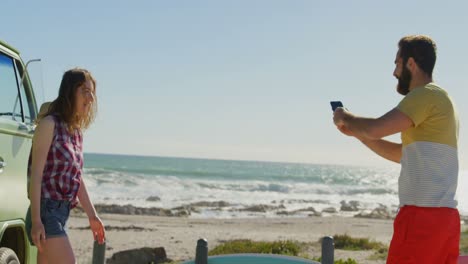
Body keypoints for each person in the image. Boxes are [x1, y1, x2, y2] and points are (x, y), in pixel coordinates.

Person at [333, 35, 460, 263]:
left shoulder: (425, 95)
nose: (394, 72)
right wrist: (358, 134)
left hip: (422, 218)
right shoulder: (442, 100)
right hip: (444, 220)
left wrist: (345, 116)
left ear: (411, 63)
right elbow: (401, 154)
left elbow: (375, 128)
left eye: (397, 64)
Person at [26, 68, 106, 263]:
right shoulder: (49, 124)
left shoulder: (76, 132)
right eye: (84, 91)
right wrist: (37, 221)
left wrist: (92, 216)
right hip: (46, 213)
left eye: (92, 92)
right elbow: (35, 175)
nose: (91, 97)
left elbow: (76, 178)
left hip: (62, 214)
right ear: (70, 91)